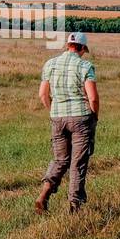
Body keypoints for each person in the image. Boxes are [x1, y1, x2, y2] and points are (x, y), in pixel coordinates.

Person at [35, 31, 99, 214]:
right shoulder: (85, 66)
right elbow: (93, 98)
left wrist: (54, 111)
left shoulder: (50, 64)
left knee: (60, 160)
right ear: (82, 48)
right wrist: (94, 116)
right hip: (81, 119)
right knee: (78, 162)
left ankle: (44, 195)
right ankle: (74, 207)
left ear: (67, 46)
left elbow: (42, 94)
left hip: (57, 117)